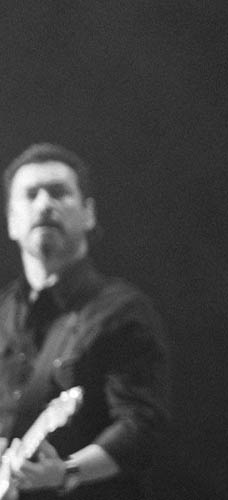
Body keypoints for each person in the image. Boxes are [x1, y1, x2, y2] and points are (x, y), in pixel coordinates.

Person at [0, 143, 170, 499]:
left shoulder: (120, 311)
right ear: (11, 221)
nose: (45, 204)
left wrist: (65, 472)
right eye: (31, 195)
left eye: (59, 193)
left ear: (89, 213)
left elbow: (140, 425)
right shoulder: (3, 314)